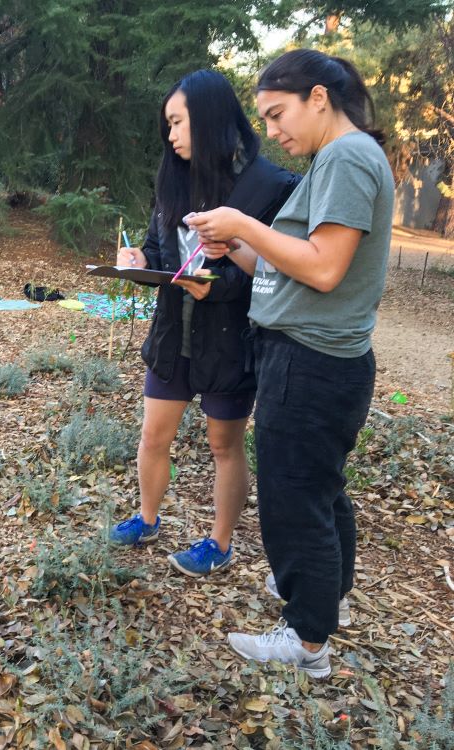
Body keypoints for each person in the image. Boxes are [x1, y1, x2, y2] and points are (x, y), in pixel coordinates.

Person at [185, 49, 394, 677]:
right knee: (319, 490)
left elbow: (325, 269)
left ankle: (307, 642)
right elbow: (291, 267)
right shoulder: (338, 160)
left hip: (310, 363)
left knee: (293, 497)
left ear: (319, 99)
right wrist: (240, 245)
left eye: (279, 114)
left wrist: (247, 221)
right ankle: (326, 600)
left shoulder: (349, 157)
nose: (272, 132)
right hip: (315, 356)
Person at [109, 70, 298, 577]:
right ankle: (147, 518)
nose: (170, 136)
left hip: (230, 342)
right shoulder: (173, 177)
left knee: (224, 445)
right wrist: (136, 261)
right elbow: (157, 252)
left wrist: (219, 285)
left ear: (210, 118)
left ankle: (219, 542)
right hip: (174, 336)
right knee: (153, 436)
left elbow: (280, 274)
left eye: (177, 122)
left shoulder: (270, 186)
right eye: (166, 125)